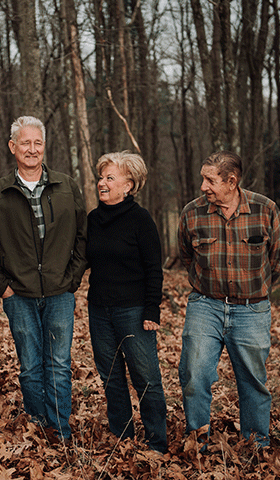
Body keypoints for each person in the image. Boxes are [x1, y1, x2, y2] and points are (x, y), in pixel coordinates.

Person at [0, 116, 87, 445]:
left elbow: (83, 237)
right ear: (13, 147)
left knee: (58, 363)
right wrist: (3, 286)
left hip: (60, 291)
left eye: (38, 143)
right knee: (29, 365)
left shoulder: (66, 185)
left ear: (45, 147)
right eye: (25, 143)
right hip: (19, 294)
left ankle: (60, 430)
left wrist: (72, 277)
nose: (32, 149)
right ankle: (37, 425)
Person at [177, 150, 280, 448]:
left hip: (252, 309)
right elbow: (186, 255)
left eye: (210, 180)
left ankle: (256, 445)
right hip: (205, 305)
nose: (203, 187)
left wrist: (255, 289)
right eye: (203, 179)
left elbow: (279, 259)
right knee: (194, 372)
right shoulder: (192, 213)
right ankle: (197, 441)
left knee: (253, 380)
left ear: (231, 181)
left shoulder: (265, 210)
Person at [85, 151, 168, 453]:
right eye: (101, 177)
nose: (102, 183)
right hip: (99, 310)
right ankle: (122, 436)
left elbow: (153, 268)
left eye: (110, 178)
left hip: (133, 311)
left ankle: (157, 440)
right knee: (111, 377)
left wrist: (151, 309)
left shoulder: (140, 220)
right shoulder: (94, 219)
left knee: (145, 376)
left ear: (128, 185)